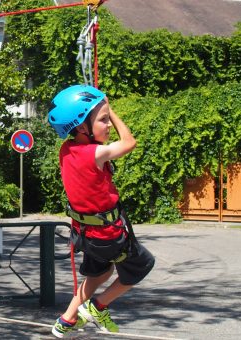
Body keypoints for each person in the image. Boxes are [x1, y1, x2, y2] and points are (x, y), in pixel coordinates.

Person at [47, 85, 155, 338]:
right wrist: (112, 108)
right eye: (103, 120)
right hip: (108, 235)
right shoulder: (96, 153)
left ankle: (67, 319)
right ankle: (97, 306)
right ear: (82, 127)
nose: (108, 125)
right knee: (142, 266)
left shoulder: (66, 150)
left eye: (108, 119)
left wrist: (100, 107)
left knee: (101, 272)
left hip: (85, 234)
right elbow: (130, 142)